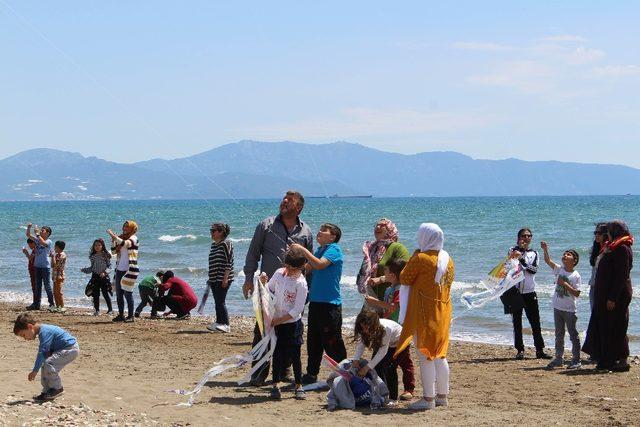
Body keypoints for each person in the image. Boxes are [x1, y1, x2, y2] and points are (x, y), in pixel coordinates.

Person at [242, 191, 313, 385]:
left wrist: (307, 291)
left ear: (299, 207)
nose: (284, 202)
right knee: (263, 330)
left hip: (294, 291)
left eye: (290, 201)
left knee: (289, 333)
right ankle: (259, 371)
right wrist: (249, 278)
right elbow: (253, 253)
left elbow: (309, 263)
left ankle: (284, 370)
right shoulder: (266, 225)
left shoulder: (305, 231)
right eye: (284, 199)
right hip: (269, 290)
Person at [394, 223, 453, 411]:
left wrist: (413, 256)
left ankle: (428, 399)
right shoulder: (448, 259)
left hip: (424, 312)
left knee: (425, 355)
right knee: (440, 355)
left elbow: (404, 278)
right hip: (443, 311)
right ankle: (442, 396)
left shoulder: (421, 258)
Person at [291, 223, 347, 385]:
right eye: (320, 230)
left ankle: (345, 373)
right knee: (313, 341)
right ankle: (311, 374)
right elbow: (307, 269)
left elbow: (320, 264)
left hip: (330, 304)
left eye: (324, 231)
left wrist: (304, 250)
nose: (320, 233)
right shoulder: (320, 250)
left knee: (332, 342)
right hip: (315, 302)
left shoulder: (334, 249)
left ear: (333, 236)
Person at [582, 220, 634, 372]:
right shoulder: (612, 247)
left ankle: (614, 361)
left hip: (615, 296)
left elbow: (621, 276)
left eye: (609, 231)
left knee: (615, 327)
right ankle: (607, 359)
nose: (607, 234)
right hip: (605, 294)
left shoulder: (623, 248)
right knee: (606, 326)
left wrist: (612, 297)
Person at [259, 247, 308, 401]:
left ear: (301, 267)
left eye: (292, 269)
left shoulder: (301, 283)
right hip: (277, 321)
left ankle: (298, 385)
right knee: (277, 353)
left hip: (292, 324)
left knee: (295, 354)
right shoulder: (279, 274)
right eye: (287, 266)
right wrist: (263, 282)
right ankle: (275, 384)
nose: (288, 270)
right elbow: (270, 289)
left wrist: (279, 320)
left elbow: (298, 309)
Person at [363, 258, 415, 400]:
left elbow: (393, 308)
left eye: (385, 272)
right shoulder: (390, 289)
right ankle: (382, 388)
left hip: (400, 329)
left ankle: (409, 388)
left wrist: (375, 302)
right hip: (387, 328)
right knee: (387, 361)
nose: (383, 275)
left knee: (404, 361)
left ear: (392, 275)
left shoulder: (400, 290)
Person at [14, 313, 79, 402]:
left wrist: (35, 370)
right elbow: (45, 353)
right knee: (45, 365)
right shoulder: (42, 331)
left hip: (70, 348)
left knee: (49, 363)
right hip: (60, 349)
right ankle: (47, 391)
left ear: (30, 327)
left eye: (24, 335)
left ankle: (57, 388)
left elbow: (42, 352)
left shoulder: (45, 331)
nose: (25, 339)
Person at [508, 228, 551, 360]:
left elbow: (533, 270)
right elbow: (511, 265)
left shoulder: (534, 253)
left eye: (529, 236)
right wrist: (519, 253)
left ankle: (539, 350)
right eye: (523, 236)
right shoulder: (512, 250)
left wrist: (522, 259)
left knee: (535, 322)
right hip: (515, 291)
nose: (526, 238)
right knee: (517, 322)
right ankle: (520, 350)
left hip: (529, 291)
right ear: (518, 237)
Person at [540, 241, 582, 370]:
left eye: (568, 254)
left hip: (570, 310)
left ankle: (576, 360)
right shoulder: (559, 269)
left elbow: (577, 293)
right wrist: (545, 249)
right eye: (564, 254)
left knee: (573, 335)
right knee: (559, 335)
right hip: (557, 308)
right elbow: (548, 260)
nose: (565, 255)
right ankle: (559, 359)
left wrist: (564, 284)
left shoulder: (576, 275)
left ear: (574, 260)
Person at [356, 218, 409, 313]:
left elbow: (405, 272)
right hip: (372, 297)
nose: (377, 227)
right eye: (376, 225)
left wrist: (381, 279)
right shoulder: (372, 248)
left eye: (382, 225)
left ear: (390, 229)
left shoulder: (397, 248)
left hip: (391, 299)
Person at [351, 310, 403, 402]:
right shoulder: (364, 329)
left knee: (389, 369)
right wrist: (355, 360)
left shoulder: (386, 328)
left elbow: (383, 351)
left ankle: (392, 398)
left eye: (367, 327)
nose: (365, 330)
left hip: (399, 343)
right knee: (376, 369)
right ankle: (380, 394)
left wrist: (367, 367)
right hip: (382, 343)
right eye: (362, 328)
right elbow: (361, 345)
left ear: (374, 324)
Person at [107, 220, 140, 322]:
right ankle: (121, 315)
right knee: (119, 294)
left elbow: (125, 244)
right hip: (119, 269)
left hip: (130, 269)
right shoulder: (121, 238)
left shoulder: (134, 238)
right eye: (124, 226)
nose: (124, 228)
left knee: (128, 293)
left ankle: (131, 316)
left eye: (127, 227)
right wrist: (113, 240)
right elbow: (113, 251)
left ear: (132, 228)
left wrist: (113, 236)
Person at [206, 223, 234, 333]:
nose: (211, 233)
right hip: (213, 278)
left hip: (222, 278)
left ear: (221, 232)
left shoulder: (226, 243)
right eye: (211, 231)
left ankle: (226, 324)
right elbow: (212, 263)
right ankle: (219, 322)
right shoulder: (214, 245)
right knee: (217, 301)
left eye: (213, 231)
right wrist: (210, 278)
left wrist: (225, 278)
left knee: (221, 301)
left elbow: (229, 262)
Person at [25, 223, 55, 311]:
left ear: (48, 233)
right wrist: (29, 227)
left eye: (43, 230)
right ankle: (36, 304)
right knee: (37, 286)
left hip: (45, 267)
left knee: (47, 286)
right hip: (37, 266)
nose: (41, 231)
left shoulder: (49, 241)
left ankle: (51, 304)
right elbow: (28, 235)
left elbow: (43, 242)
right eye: (41, 230)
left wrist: (37, 234)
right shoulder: (37, 239)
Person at [81, 239, 113, 316]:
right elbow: (92, 268)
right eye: (95, 245)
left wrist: (105, 272)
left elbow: (110, 266)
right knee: (95, 294)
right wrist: (85, 270)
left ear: (102, 246)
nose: (97, 247)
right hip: (95, 276)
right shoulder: (92, 256)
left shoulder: (105, 255)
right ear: (93, 246)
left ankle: (110, 310)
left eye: (99, 245)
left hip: (104, 277)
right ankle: (97, 310)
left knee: (105, 293)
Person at [589, 223, 608, 310]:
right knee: (594, 313)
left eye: (599, 233)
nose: (596, 235)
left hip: (603, 287)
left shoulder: (609, 249)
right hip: (593, 285)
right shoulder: (595, 248)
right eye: (595, 232)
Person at [50, 241, 67, 313]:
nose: (54, 248)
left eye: (55, 247)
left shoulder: (62, 255)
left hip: (59, 275)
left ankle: (62, 307)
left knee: (58, 292)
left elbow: (55, 266)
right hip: (55, 275)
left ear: (58, 247)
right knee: (55, 292)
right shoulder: (57, 255)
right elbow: (52, 265)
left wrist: (53, 256)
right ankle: (58, 307)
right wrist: (53, 257)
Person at [22, 238, 37, 309]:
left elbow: (30, 259)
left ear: (34, 243)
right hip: (33, 269)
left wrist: (26, 253)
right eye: (29, 244)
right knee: (34, 286)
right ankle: (35, 302)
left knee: (35, 286)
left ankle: (35, 303)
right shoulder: (35, 250)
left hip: (34, 270)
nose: (29, 246)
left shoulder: (35, 250)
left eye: (30, 244)